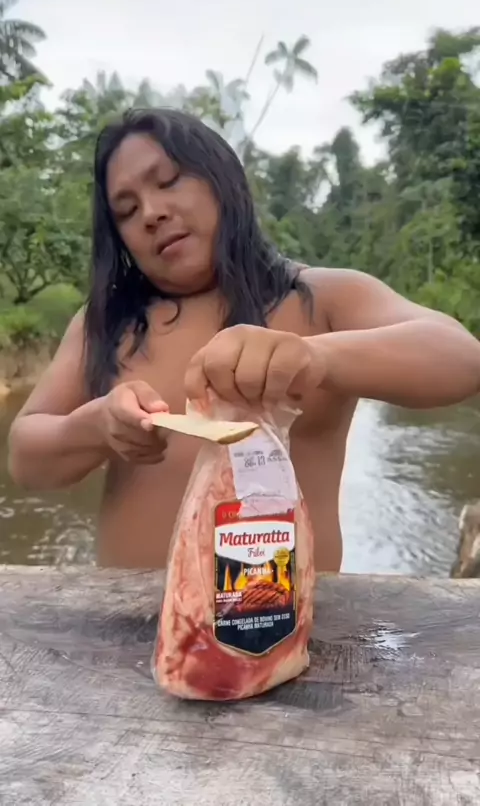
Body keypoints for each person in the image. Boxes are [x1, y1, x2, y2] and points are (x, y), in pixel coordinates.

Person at [7, 108, 480, 571]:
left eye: (168, 181)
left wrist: (312, 357)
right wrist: (95, 427)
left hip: (289, 617)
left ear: (223, 181)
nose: (151, 213)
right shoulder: (107, 323)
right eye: (126, 211)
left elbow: (461, 358)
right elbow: (25, 459)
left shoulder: (322, 299)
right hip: (127, 619)